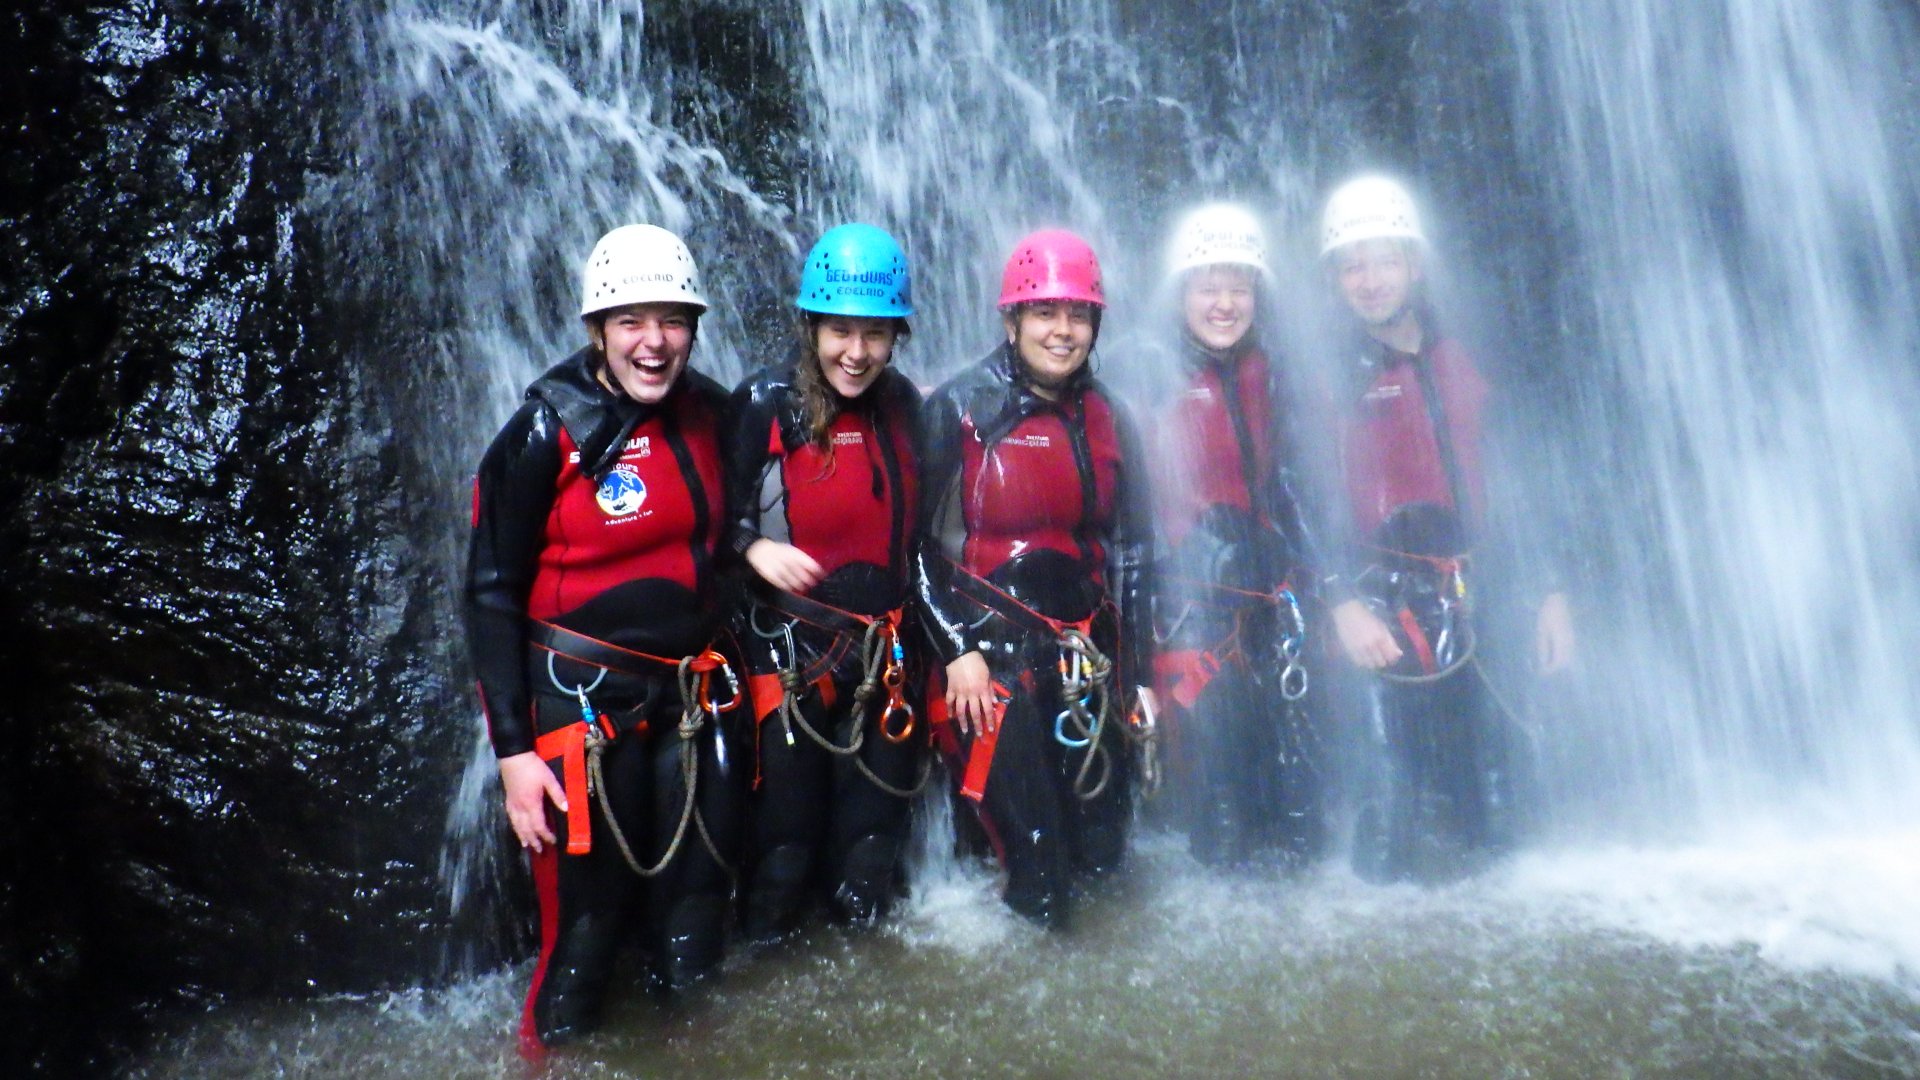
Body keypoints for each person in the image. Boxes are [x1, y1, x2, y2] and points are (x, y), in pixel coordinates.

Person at [465, 223, 745, 1051]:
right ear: (596, 330)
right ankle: (546, 1061)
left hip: (692, 701)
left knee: (696, 925)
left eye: (672, 320)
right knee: (583, 938)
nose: (653, 342)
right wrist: (514, 756)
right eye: (630, 321)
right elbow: (488, 594)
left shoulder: (714, 414)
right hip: (578, 715)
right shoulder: (541, 433)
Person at [1309, 175, 1575, 883]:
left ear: (1415, 265)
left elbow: (1521, 478)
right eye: (1351, 265)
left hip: (1475, 595)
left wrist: (1551, 591)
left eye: (1384, 259)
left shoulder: (1469, 351)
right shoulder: (1320, 376)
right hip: (1378, 603)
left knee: (1498, 815)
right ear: (1334, 278)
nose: (1369, 280)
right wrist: (1340, 603)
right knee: (1388, 828)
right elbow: (1299, 501)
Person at [914, 228, 1156, 928]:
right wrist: (956, 648)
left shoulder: (1110, 416)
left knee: (1107, 855)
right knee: (1042, 876)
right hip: (990, 671)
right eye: (1045, 312)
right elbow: (914, 547)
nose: (1063, 330)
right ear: (1012, 319)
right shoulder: (959, 409)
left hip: (1084, 660)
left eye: (1078, 314)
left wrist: (1137, 676)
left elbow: (1134, 551)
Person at [724, 223, 927, 939]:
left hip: (886, 657)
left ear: (895, 336)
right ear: (811, 324)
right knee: (783, 854)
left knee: (871, 855)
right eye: (840, 331)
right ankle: (772, 1003)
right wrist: (749, 547)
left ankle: (867, 1006)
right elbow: (698, 519)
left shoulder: (905, 407)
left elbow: (926, 537)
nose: (857, 352)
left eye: (875, 334)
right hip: (789, 659)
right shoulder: (762, 403)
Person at [1150, 203, 1328, 868]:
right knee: (1221, 809)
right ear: (1181, 296)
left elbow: (1296, 486)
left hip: (1272, 603)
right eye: (1208, 287)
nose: (1224, 304)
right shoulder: (1151, 374)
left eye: (1239, 288)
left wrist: (1318, 585)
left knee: (1296, 806)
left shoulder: (1274, 376)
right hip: (1195, 615)